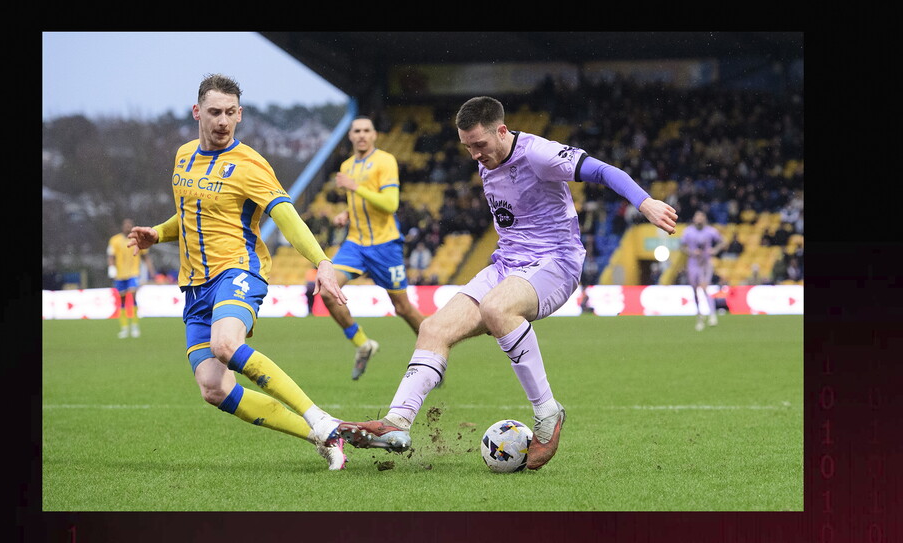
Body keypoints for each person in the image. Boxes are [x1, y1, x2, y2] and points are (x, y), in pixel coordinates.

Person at [335, 96, 677, 470]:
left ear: (502, 130)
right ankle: (396, 423)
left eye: (479, 145)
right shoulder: (487, 155)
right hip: (507, 264)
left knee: (498, 308)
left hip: (555, 263)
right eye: (467, 147)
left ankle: (548, 414)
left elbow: (603, 171)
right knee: (433, 329)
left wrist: (645, 203)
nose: (475, 155)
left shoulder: (539, 153)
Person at [127, 74, 350, 470]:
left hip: (239, 269)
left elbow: (287, 218)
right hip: (195, 286)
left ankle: (321, 418)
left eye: (231, 112)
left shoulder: (250, 165)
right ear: (197, 112)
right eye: (214, 112)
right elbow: (192, 214)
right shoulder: (183, 156)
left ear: (240, 114)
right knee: (213, 388)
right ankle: (318, 435)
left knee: (225, 345)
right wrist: (158, 233)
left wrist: (323, 262)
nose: (222, 121)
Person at [320, 115, 426, 380]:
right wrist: (347, 213)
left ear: (375, 134)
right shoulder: (347, 165)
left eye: (367, 130)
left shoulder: (385, 161)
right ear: (350, 136)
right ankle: (363, 344)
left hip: (384, 245)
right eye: (357, 131)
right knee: (327, 290)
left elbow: (390, 203)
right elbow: (361, 201)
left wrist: (354, 187)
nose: (362, 135)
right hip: (355, 243)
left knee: (402, 308)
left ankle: (432, 352)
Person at [107, 218, 155, 338]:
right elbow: (111, 256)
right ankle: (124, 327)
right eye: (126, 225)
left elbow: (146, 256)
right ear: (122, 226)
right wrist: (111, 268)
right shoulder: (114, 240)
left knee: (133, 297)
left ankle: (134, 326)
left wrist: (151, 271)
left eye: (130, 225)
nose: (128, 227)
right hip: (120, 274)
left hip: (133, 273)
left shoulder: (138, 239)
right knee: (122, 300)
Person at [680, 210, 726, 331]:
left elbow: (722, 241)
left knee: (705, 287)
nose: (699, 219)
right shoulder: (688, 231)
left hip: (705, 264)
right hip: (693, 264)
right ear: (694, 219)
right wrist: (691, 252)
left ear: (704, 219)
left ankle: (712, 315)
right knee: (695, 290)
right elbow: (682, 246)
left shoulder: (710, 231)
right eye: (697, 217)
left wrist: (714, 250)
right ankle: (699, 315)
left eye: (701, 217)